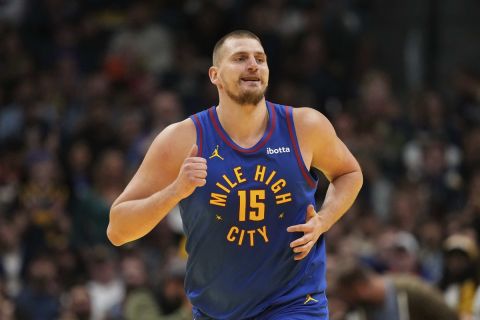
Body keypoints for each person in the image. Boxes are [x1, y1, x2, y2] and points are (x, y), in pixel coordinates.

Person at [107, 30, 363, 319]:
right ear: (215, 75)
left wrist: (324, 220)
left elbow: (349, 173)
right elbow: (118, 229)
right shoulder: (181, 139)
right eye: (240, 58)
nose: (253, 65)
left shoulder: (305, 125)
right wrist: (175, 191)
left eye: (260, 59)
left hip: (294, 303)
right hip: (216, 310)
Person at [333, 258, 459, 320]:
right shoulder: (363, 309)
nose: (346, 302)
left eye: (347, 296)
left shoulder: (413, 290)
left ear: (360, 288)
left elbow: (450, 316)